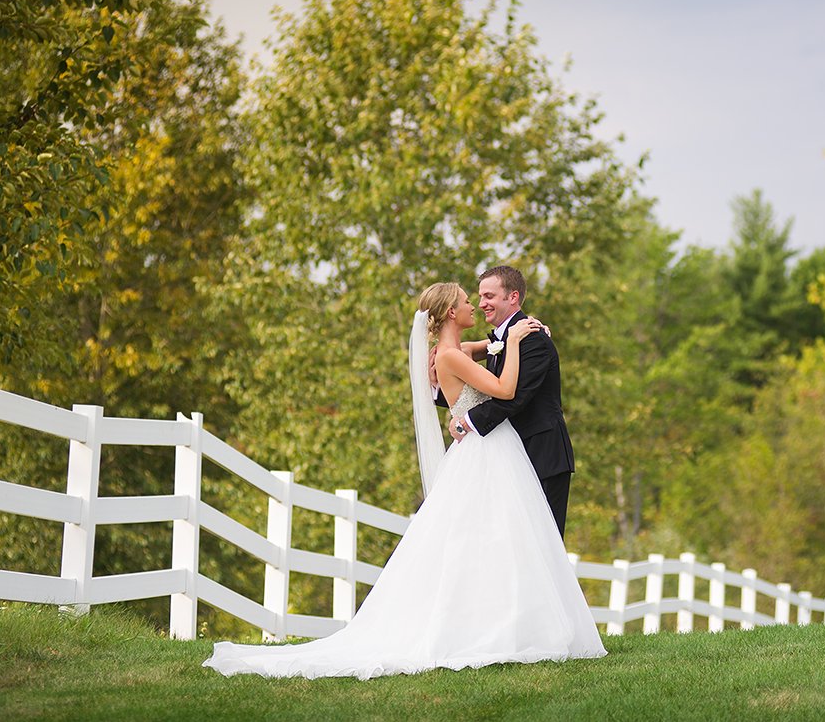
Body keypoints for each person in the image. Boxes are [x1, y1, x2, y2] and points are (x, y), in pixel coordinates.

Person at [202, 282, 605, 680]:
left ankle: (510, 625)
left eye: (482, 298)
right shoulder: (450, 355)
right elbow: (504, 389)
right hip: (489, 451)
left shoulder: (453, 351)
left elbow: (480, 351)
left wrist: (505, 338)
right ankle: (496, 629)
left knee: (496, 540)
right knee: (492, 539)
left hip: (495, 450)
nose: (474, 305)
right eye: (468, 300)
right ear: (451, 313)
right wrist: (512, 342)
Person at [443, 266, 575, 538]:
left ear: (512, 297)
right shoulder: (502, 339)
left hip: (542, 454)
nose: (481, 304)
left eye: (489, 296)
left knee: (542, 544)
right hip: (511, 456)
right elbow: (468, 382)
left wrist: (466, 422)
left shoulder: (533, 340)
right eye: (478, 297)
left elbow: (513, 398)